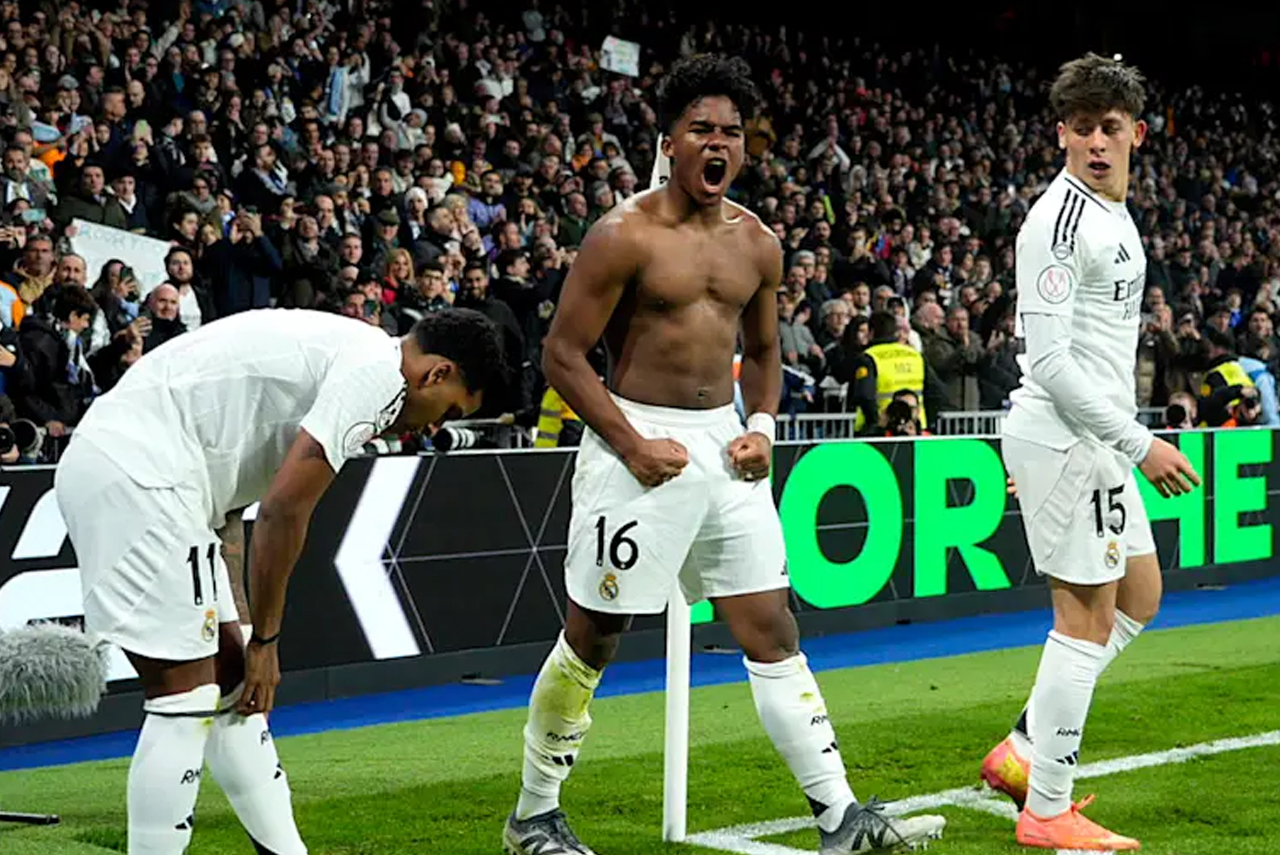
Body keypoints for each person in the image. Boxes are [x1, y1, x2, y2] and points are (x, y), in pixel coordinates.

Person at [503, 54, 945, 855]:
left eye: (732, 132)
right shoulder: (621, 235)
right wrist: (633, 445)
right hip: (634, 439)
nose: (718, 143)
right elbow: (562, 356)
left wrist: (763, 426)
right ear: (669, 141)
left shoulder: (759, 243)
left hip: (723, 449)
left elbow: (765, 353)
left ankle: (840, 815)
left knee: (770, 626)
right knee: (594, 633)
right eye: (701, 128)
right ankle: (533, 815)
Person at [54, 308, 503, 855]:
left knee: (234, 685)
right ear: (438, 373)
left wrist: (246, 633)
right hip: (138, 474)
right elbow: (283, 511)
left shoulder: (357, 351)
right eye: (449, 409)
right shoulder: (379, 378)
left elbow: (232, 513)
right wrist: (266, 641)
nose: (434, 426)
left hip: (156, 478)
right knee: (185, 696)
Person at [978, 53, 1201, 851]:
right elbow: (1048, 362)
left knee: (1140, 596)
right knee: (1083, 620)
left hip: (1096, 435)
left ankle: (1023, 746)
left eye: (1110, 127)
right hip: (1069, 436)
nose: (1096, 142)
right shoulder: (1058, 222)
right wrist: (1141, 444)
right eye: (1082, 128)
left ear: (1138, 133)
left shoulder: (1114, 213)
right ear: (1062, 135)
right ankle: (1047, 808)